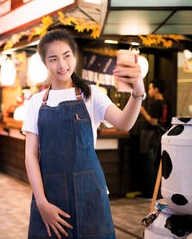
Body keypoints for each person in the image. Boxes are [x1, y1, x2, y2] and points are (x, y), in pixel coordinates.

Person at [22, 29, 145, 239]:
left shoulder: (92, 94)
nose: (62, 65)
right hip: (50, 196)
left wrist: (138, 93)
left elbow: (125, 123)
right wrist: (41, 203)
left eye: (66, 56)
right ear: (45, 63)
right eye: (53, 59)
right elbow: (31, 156)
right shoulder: (36, 102)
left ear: (74, 56)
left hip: (90, 196)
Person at [138, 79, 168, 198]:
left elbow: (153, 121)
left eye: (150, 88)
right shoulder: (164, 103)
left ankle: (150, 193)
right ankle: (154, 193)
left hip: (150, 135)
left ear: (156, 89)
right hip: (157, 135)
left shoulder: (156, 103)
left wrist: (143, 111)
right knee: (151, 162)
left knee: (148, 162)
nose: (149, 91)